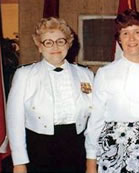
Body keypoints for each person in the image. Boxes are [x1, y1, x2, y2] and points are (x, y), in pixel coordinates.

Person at [6, 17, 94, 173]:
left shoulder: (86, 74)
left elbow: (94, 120)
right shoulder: (24, 75)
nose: (55, 46)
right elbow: (15, 121)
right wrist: (19, 162)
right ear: (39, 47)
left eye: (61, 41)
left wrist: (91, 161)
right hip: (39, 149)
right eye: (48, 42)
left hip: (76, 149)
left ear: (69, 43)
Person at [85, 9, 139, 173]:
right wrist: (90, 162)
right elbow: (96, 121)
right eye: (125, 33)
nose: (132, 39)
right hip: (113, 149)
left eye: (137, 32)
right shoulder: (105, 73)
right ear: (119, 40)